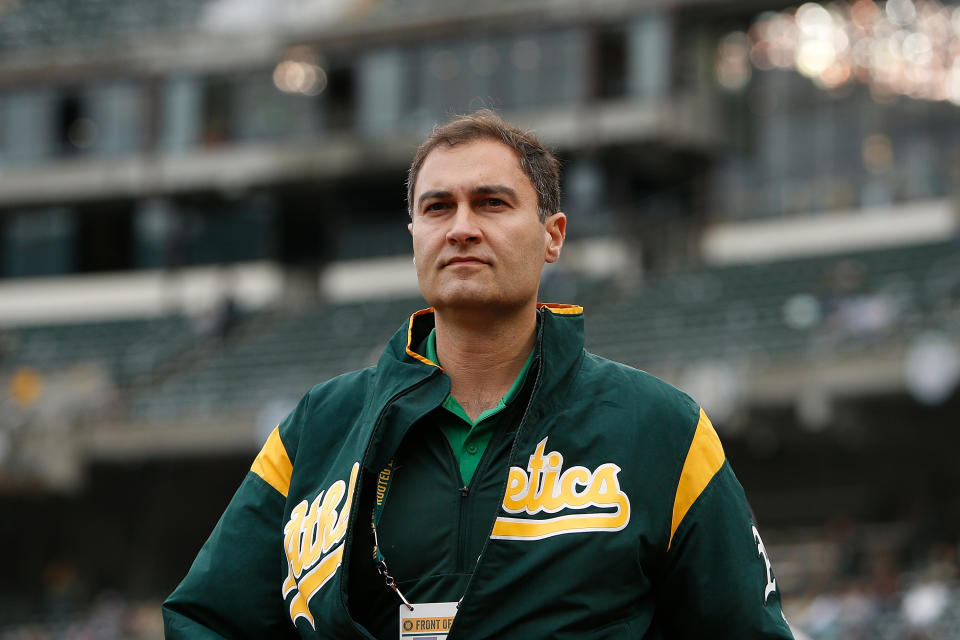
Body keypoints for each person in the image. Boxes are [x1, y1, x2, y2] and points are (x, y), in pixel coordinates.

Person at [163, 110, 795, 639]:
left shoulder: (662, 427)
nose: (462, 228)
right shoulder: (318, 430)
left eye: (491, 203)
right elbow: (206, 620)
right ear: (415, 236)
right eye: (437, 207)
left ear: (553, 236)